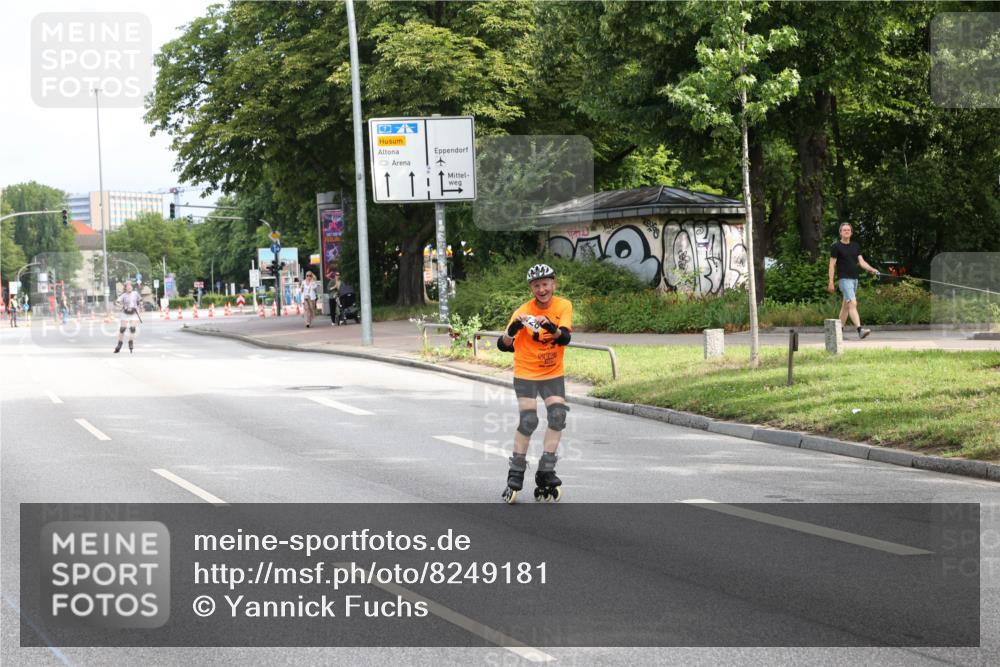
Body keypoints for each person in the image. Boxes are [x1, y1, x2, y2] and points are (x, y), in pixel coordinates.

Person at [496, 263, 573, 504]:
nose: (542, 289)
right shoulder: (523, 311)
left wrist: (552, 327)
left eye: (546, 284)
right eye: (537, 285)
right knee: (529, 420)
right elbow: (503, 344)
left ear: (554, 284)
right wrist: (513, 329)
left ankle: (546, 470)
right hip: (527, 373)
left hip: (552, 373)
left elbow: (565, 338)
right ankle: (516, 471)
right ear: (531, 288)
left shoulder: (563, 306)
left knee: (558, 416)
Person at [828, 222, 879, 340]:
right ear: (840, 232)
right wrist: (831, 281)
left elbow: (861, 262)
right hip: (844, 279)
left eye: (848, 230)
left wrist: (872, 270)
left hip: (854, 279)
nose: (846, 231)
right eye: (844, 230)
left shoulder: (855, 246)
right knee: (852, 303)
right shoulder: (836, 246)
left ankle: (838, 332)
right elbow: (831, 265)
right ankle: (860, 330)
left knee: (846, 305)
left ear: (851, 232)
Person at [114, 281, 142, 353]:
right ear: (125, 288)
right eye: (128, 286)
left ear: (132, 287)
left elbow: (140, 300)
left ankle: (130, 342)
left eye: (130, 286)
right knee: (122, 329)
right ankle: (119, 345)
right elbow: (116, 302)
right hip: (125, 313)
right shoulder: (123, 295)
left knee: (132, 329)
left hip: (133, 313)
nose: (129, 287)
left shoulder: (135, 293)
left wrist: (140, 307)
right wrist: (122, 306)